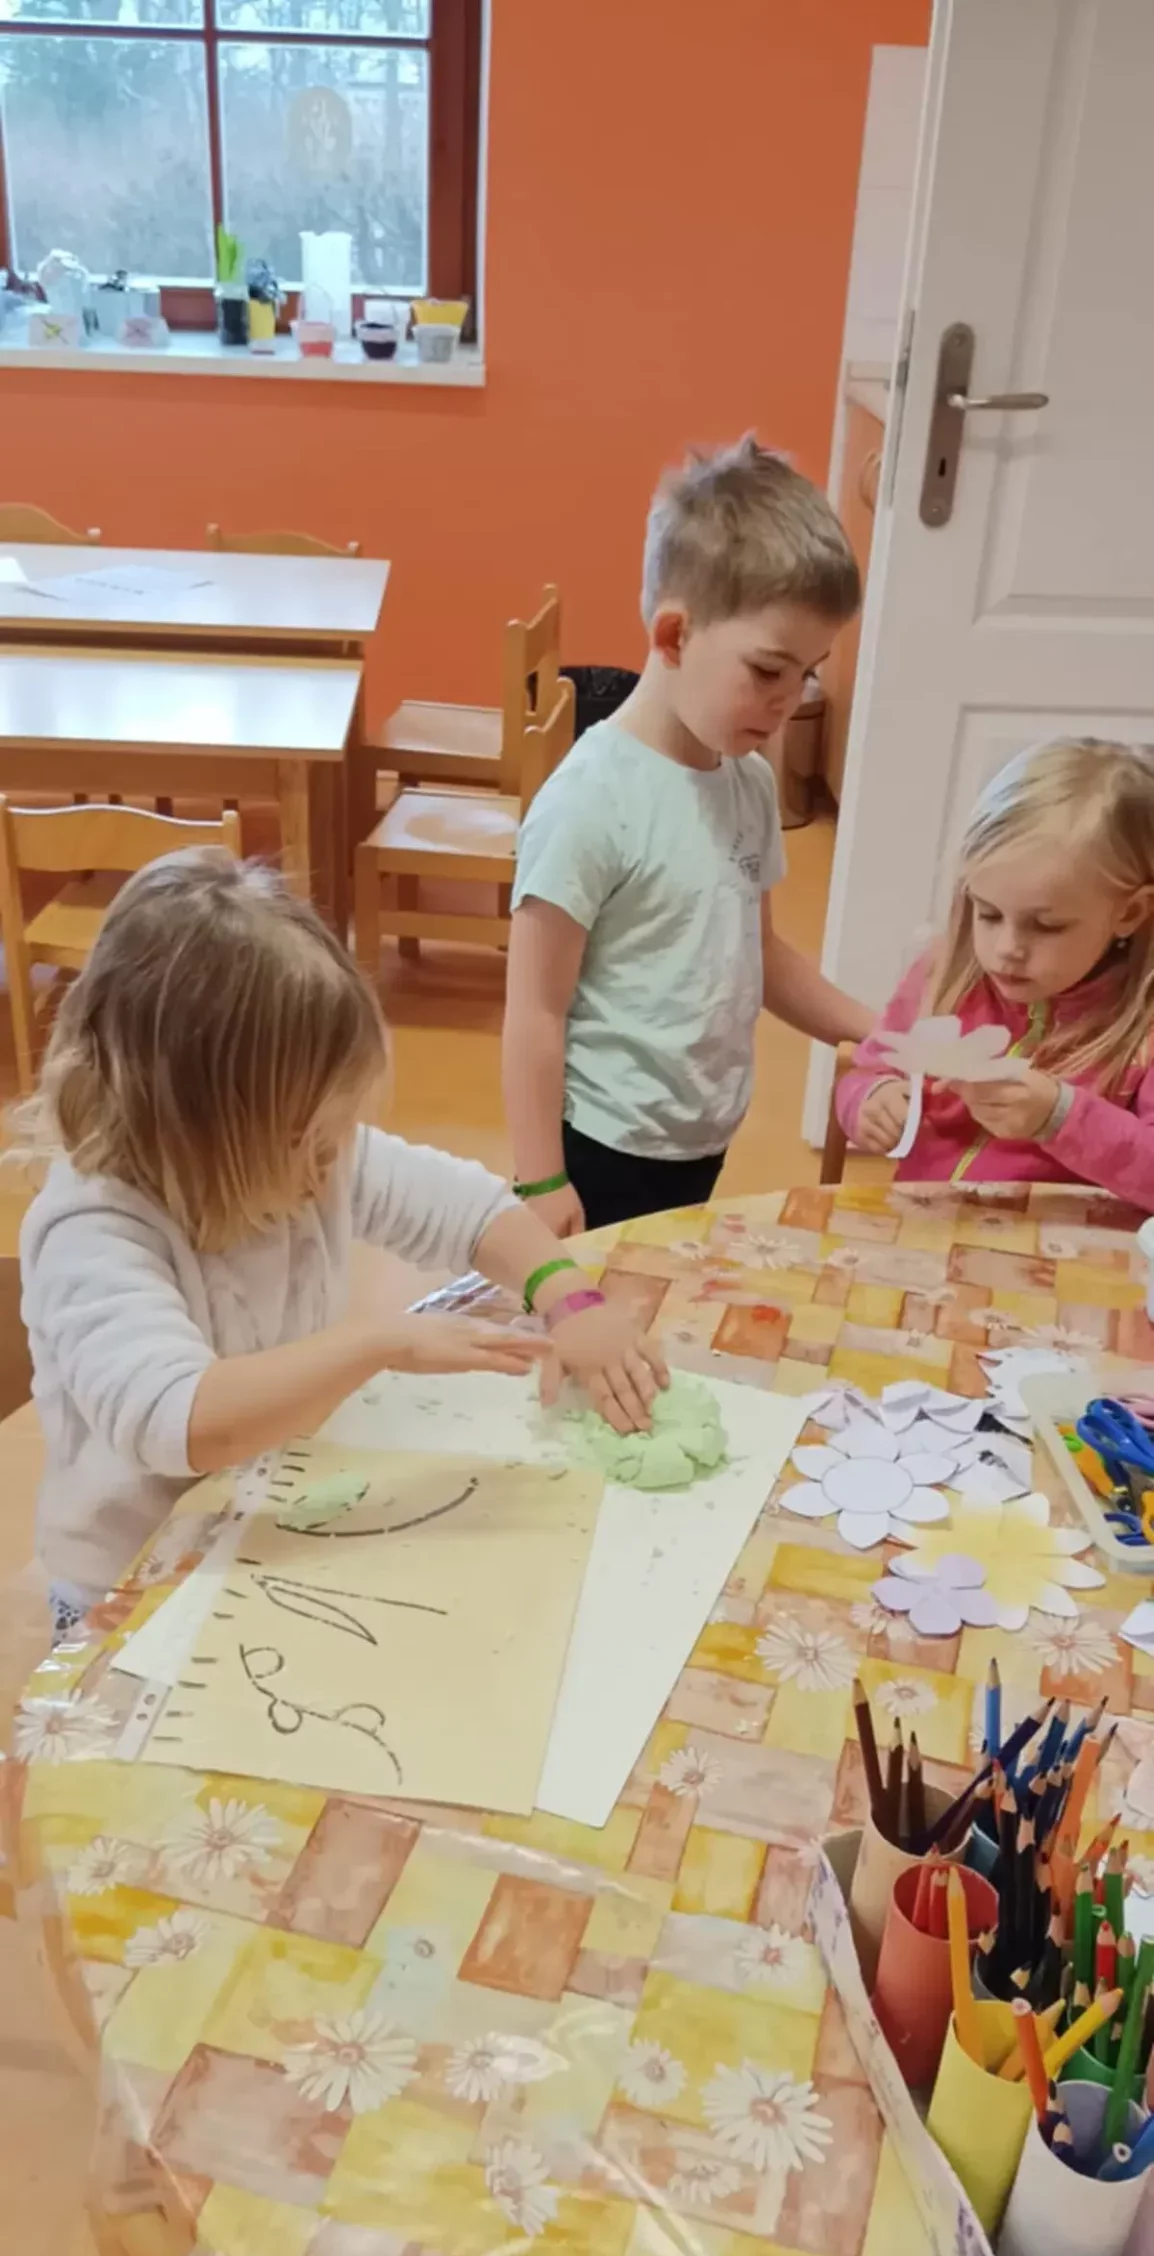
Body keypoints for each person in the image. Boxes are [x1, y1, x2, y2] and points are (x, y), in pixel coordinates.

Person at [18, 853, 667, 1639]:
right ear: (199, 1131)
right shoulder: (93, 1231)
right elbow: (183, 1422)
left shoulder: (310, 1159)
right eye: (312, 1138)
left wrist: (571, 1298)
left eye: (339, 1132)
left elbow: (469, 1211)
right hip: (131, 1587)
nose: (336, 1160)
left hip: (264, 1522)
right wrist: (382, 1342)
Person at [502, 436, 874, 1237]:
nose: (789, 700)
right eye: (768, 670)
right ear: (674, 637)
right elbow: (533, 1012)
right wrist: (540, 1182)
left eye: (807, 672)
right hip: (600, 1146)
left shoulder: (748, 781)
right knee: (590, 1309)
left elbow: (760, 953)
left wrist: (879, 1032)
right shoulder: (590, 802)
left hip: (698, 1137)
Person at [837, 738, 1154, 1202]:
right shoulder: (943, 975)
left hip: (1064, 1242)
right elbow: (867, 1069)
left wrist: (1061, 1118)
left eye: (1046, 926)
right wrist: (868, 1100)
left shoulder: (1143, 1025)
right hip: (931, 1226)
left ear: (1130, 913)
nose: (1007, 949)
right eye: (987, 913)